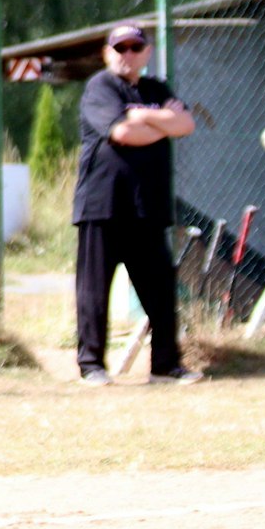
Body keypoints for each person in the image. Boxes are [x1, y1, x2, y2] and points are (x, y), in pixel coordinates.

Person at [73, 23, 202, 386]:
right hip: (103, 204)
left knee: (161, 288)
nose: (127, 54)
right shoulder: (101, 87)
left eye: (135, 47)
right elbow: (122, 133)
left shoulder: (156, 88)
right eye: (120, 48)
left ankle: (165, 366)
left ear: (147, 52)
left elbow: (186, 124)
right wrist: (161, 121)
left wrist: (140, 114)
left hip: (147, 205)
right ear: (107, 53)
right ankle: (91, 366)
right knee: (94, 291)